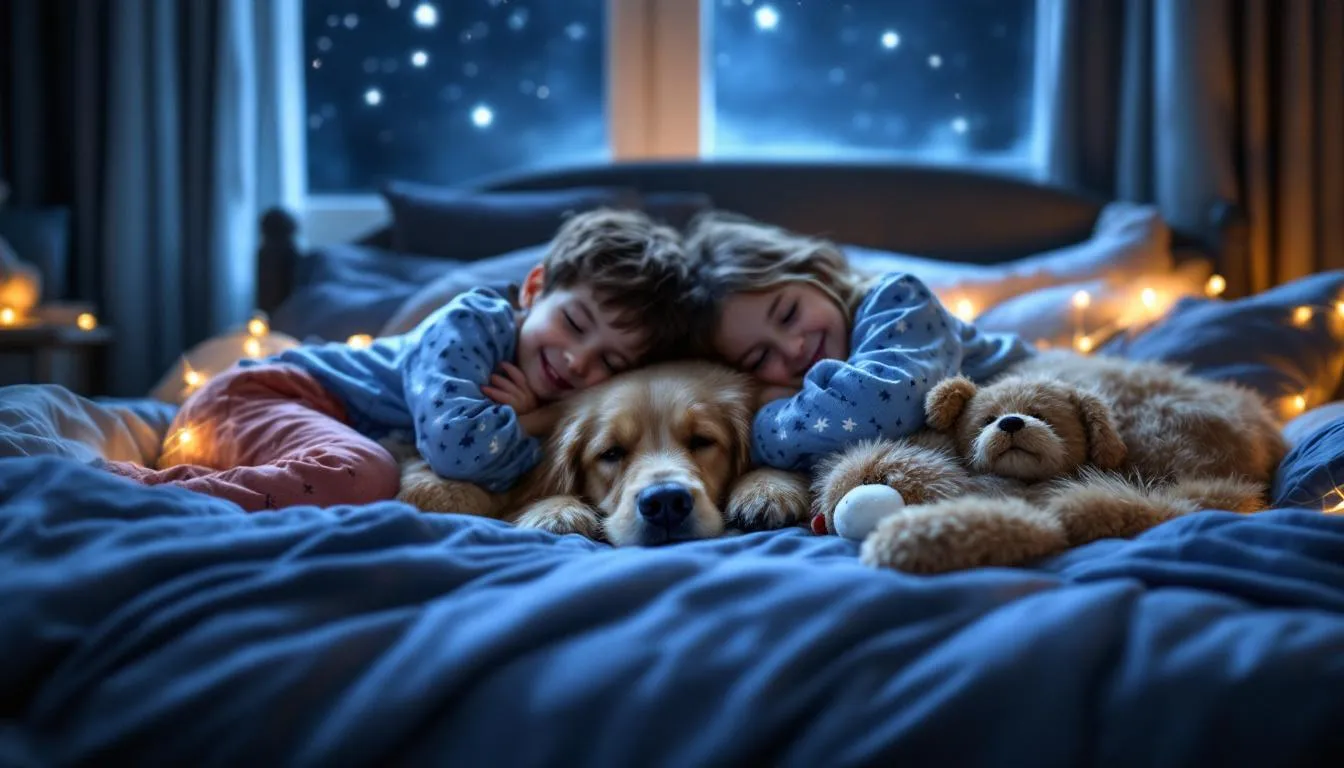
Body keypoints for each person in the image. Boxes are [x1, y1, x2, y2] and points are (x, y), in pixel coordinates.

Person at [108, 209, 697, 510]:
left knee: (352, 469)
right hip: (266, 395)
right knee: (368, 472)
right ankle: (153, 493)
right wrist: (534, 423)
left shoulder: (542, 381)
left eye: (609, 364)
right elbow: (456, 449)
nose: (575, 361)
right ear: (535, 289)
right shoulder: (470, 324)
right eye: (573, 323)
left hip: (286, 427)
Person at [685, 211, 1034, 472]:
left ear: (817, 274)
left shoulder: (898, 299)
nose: (793, 348)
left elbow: (883, 409)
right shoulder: (810, 401)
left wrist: (757, 426)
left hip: (1042, 393)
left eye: (789, 313)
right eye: (760, 357)